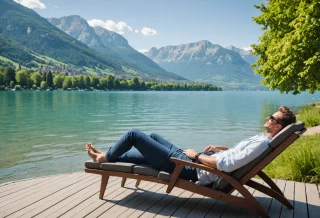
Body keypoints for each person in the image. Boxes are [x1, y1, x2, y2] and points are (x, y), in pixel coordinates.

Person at [86, 106, 296, 186]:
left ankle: (104, 158)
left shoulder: (260, 145)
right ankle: (108, 155)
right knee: (151, 136)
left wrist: (196, 156)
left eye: (271, 117)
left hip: (190, 168)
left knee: (134, 135)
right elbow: (232, 156)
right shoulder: (263, 140)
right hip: (192, 162)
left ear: (278, 126)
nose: (267, 118)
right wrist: (219, 148)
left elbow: (225, 165)